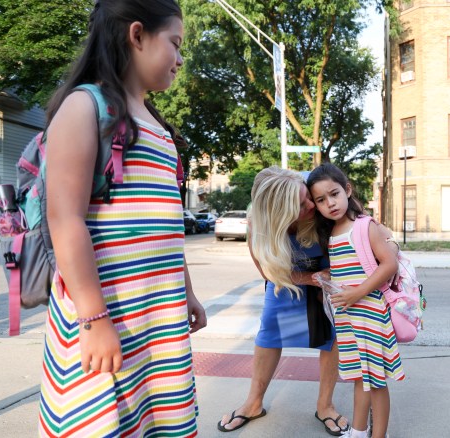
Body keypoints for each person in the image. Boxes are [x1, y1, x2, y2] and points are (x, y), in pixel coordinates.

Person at [39, 1, 206, 436]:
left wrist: (186, 292)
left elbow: (165, 227)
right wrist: (94, 322)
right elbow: (65, 221)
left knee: (157, 421)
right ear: (137, 35)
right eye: (175, 43)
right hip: (103, 322)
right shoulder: (85, 107)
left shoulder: (160, 129)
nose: (181, 58)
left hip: (157, 321)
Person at [218, 166, 349, 436]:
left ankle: (325, 405)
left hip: (328, 276)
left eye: (308, 196)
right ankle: (253, 403)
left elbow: (364, 227)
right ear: (279, 214)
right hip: (287, 278)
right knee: (269, 335)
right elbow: (267, 271)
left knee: (332, 337)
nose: (313, 204)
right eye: (302, 205)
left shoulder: (318, 203)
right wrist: (310, 278)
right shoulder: (259, 222)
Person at [307, 163, 405, 438]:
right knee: (361, 378)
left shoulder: (363, 226)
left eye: (334, 194)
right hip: (348, 318)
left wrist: (357, 292)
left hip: (370, 314)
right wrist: (326, 278)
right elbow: (347, 270)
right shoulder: (331, 234)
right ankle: (358, 431)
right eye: (321, 200)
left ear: (347, 190)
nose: (330, 203)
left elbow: (389, 264)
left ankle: (378, 435)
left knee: (376, 383)